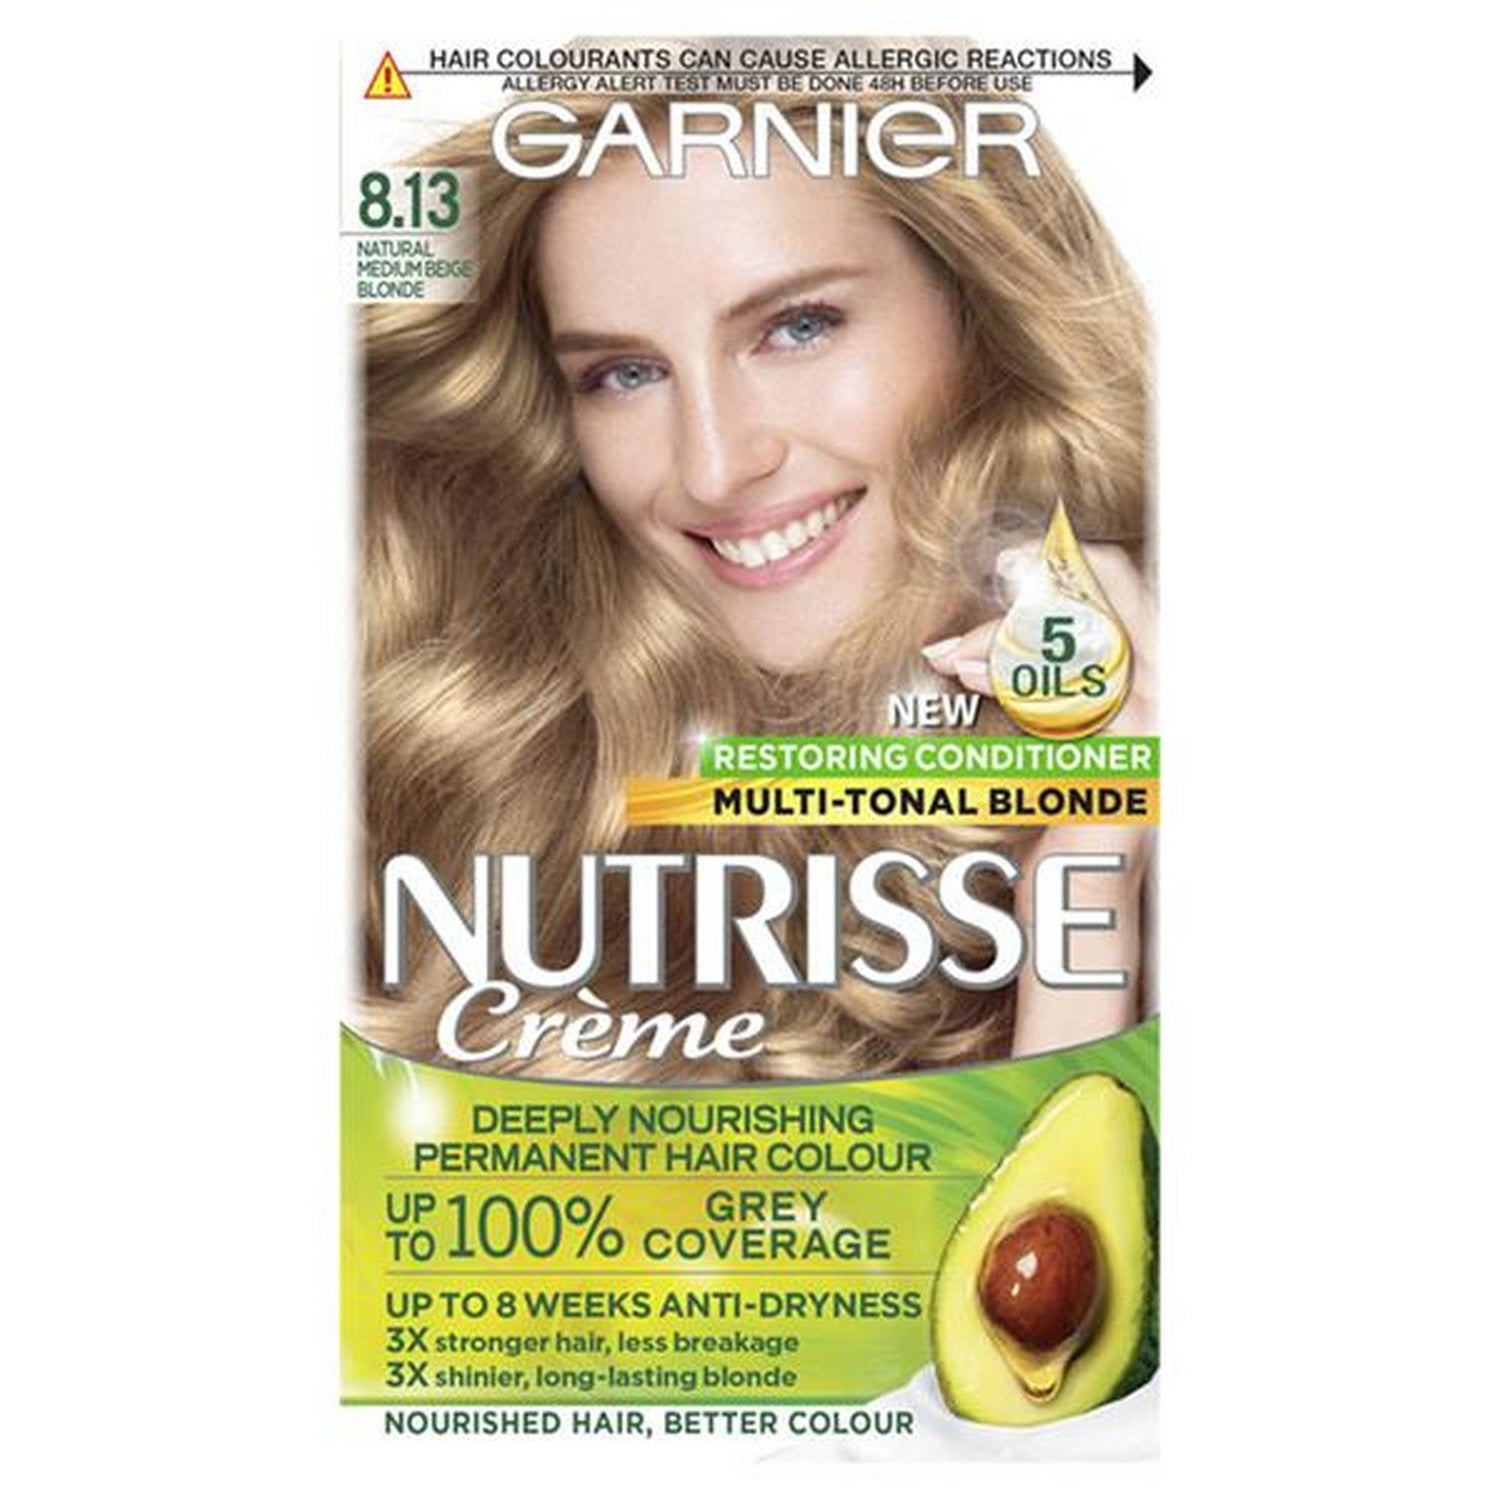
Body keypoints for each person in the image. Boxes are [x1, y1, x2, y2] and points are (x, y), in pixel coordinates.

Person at [360, 93, 1153, 1080]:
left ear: (982, 317)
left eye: (797, 327)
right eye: (623, 374)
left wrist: (1088, 888)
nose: (713, 468)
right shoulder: (467, 811)